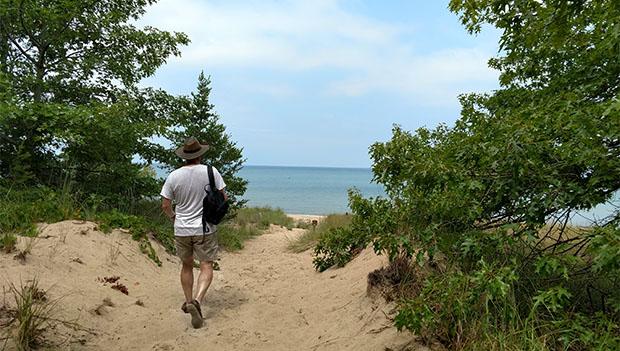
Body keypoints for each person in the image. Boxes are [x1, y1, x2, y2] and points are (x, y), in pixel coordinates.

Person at [160, 137, 227, 329]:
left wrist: (174, 217)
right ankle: (198, 300)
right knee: (206, 264)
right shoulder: (211, 172)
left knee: (186, 265)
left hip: (181, 229)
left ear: (184, 156)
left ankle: (189, 300)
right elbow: (224, 197)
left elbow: (165, 205)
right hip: (205, 228)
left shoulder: (173, 176)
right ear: (200, 155)